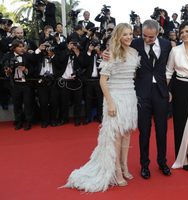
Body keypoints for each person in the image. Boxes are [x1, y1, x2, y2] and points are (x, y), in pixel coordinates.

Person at [60, 23, 140, 192]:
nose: (128, 36)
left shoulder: (134, 53)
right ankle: (117, 170)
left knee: (126, 134)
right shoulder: (110, 54)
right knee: (116, 136)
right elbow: (103, 81)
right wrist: (110, 103)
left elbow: (132, 76)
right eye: (125, 34)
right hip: (115, 97)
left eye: (131, 33)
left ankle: (125, 166)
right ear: (118, 36)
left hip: (130, 96)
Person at [131, 19, 172, 179]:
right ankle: (144, 165)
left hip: (161, 92)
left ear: (158, 33)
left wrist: (169, 90)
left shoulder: (167, 45)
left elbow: (171, 68)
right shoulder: (135, 43)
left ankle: (162, 162)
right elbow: (119, 49)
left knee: (162, 130)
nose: (147, 39)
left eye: (151, 37)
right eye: (144, 36)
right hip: (142, 93)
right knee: (144, 131)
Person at [166, 21, 188, 171]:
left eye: (187, 31)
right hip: (180, 88)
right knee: (181, 123)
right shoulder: (175, 51)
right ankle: (183, 156)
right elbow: (168, 72)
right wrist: (166, 90)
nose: (184, 34)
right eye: (182, 32)